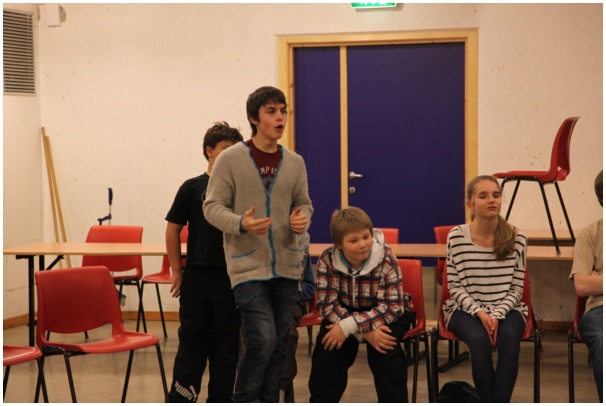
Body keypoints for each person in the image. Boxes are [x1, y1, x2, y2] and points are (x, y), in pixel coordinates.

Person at [203, 86, 313, 403]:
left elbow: (304, 203)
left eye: (283, 111)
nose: (280, 118)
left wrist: (302, 217)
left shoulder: (295, 162)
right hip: (247, 265)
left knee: (278, 345)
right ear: (254, 118)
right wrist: (241, 223)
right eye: (271, 111)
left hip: (288, 266)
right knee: (262, 339)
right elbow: (212, 207)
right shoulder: (230, 159)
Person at [165, 121, 243, 403]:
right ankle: (182, 398)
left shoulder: (241, 190)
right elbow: (173, 229)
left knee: (226, 347)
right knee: (192, 343)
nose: (230, 156)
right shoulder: (192, 187)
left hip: (230, 279)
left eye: (236, 151)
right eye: (225, 149)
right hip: (197, 277)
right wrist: (177, 270)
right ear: (209, 151)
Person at [308, 206, 412, 403]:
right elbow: (326, 305)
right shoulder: (327, 259)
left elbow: (391, 308)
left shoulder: (387, 258)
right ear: (339, 244)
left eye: (366, 237)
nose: (363, 244)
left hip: (384, 313)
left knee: (388, 355)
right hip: (342, 313)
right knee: (327, 353)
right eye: (353, 240)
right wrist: (363, 333)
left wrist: (350, 327)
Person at [443, 175, 528, 402]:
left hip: (507, 308)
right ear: (470, 204)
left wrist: (497, 315)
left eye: (496, 195)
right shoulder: (456, 236)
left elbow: (516, 288)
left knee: (509, 338)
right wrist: (480, 313)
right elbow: (454, 286)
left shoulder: (517, 237)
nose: (492, 200)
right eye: (483, 196)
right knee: (478, 340)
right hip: (464, 308)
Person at [569, 170, 602, 402]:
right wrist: (590, 282)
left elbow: (590, 282)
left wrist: (598, 280)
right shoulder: (590, 234)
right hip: (599, 309)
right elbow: (582, 286)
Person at [279, 232, 316, 403]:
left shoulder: (300, 238)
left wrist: (297, 294)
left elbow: (308, 285)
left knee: (285, 334)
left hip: (292, 298)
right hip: (260, 298)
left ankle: (280, 393)